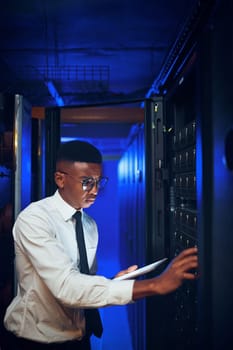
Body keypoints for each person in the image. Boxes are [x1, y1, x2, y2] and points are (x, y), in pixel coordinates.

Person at [3, 140, 198, 350]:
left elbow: (80, 280)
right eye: (87, 182)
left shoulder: (88, 224)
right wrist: (155, 285)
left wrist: (113, 280)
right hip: (34, 342)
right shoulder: (35, 219)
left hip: (78, 339)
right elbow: (66, 287)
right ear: (60, 179)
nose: (95, 190)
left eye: (98, 181)